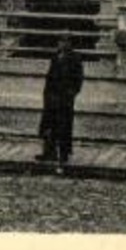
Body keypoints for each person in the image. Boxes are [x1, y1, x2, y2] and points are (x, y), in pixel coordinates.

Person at [39, 33, 84, 173]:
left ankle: (64, 154)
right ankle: (49, 152)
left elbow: (78, 79)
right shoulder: (55, 57)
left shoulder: (75, 59)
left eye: (65, 41)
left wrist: (71, 94)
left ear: (70, 43)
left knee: (64, 127)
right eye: (59, 41)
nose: (61, 44)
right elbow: (49, 77)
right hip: (52, 98)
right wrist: (46, 94)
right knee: (49, 125)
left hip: (65, 99)